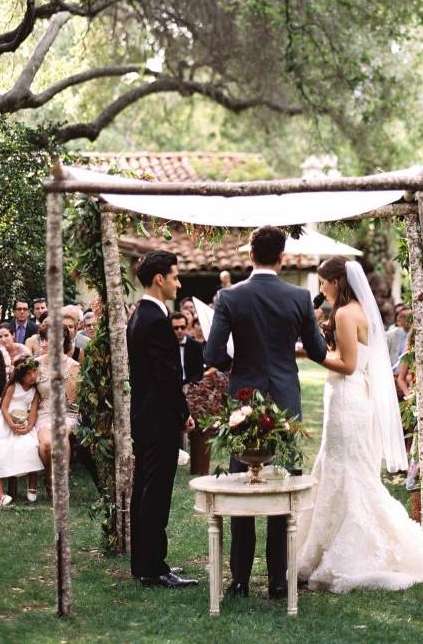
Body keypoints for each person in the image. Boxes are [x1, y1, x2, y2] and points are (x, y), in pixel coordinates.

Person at [296, 256, 423, 592]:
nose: (321, 289)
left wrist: (311, 352)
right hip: (345, 397)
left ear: (336, 281)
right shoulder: (348, 311)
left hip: (348, 397)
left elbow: (348, 365)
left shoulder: (349, 313)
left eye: (323, 281)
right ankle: (324, 542)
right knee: (339, 468)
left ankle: (351, 547)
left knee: (348, 472)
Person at [204, 225, 328, 600]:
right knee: (284, 487)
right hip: (286, 401)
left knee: (242, 486)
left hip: (244, 397)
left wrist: (239, 363)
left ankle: (239, 579)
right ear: (282, 257)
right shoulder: (299, 297)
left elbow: (212, 356)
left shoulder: (229, 297)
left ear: (250, 255)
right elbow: (318, 351)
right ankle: (277, 580)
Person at [127, 251, 196, 590]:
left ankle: (144, 562)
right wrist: (184, 413)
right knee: (155, 493)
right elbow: (166, 376)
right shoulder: (154, 319)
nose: (178, 282)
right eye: (175, 276)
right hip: (158, 420)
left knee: (144, 490)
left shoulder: (140, 314)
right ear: (159, 279)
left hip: (144, 416)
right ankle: (154, 567)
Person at [0, 356, 43, 507]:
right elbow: (4, 407)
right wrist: (11, 425)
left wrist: (28, 427)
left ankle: (32, 485)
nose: (33, 376)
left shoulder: (35, 390)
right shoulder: (13, 387)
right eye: (29, 373)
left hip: (23, 422)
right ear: (21, 374)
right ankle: (0, 494)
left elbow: (33, 411)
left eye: (35, 372)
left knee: (32, 446)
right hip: (6, 422)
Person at [35, 322, 80, 490]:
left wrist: (63, 376)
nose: (46, 343)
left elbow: (74, 399)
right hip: (44, 412)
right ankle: (49, 478)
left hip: (67, 411)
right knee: (46, 444)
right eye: (44, 339)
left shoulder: (73, 366)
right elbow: (30, 395)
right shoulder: (36, 364)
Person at [170, 313, 204, 384]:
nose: (179, 330)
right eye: (176, 328)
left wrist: (190, 384)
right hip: (172, 385)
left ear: (187, 327)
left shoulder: (196, 346)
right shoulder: (166, 346)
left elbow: (199, 371)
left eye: (182, 327)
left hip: (191, 386)